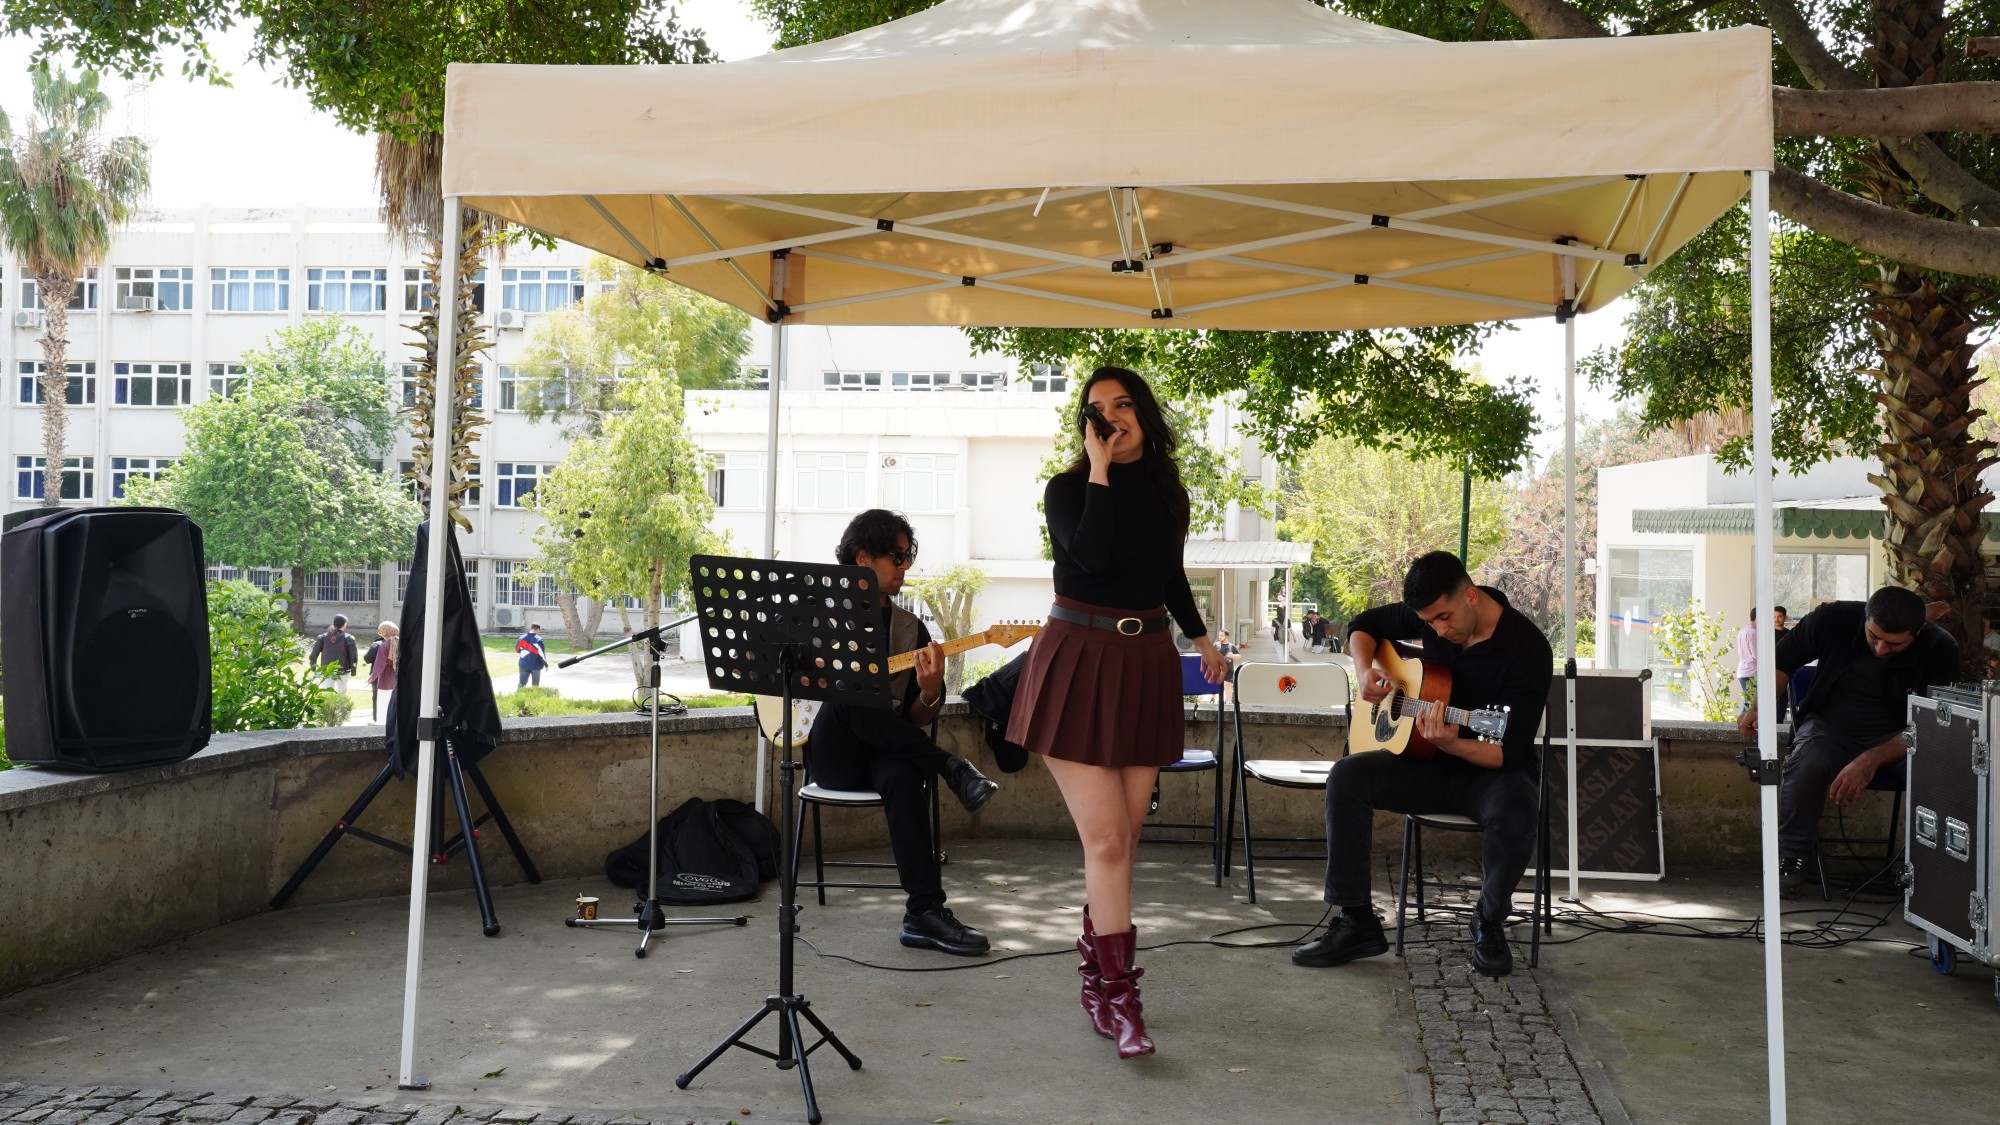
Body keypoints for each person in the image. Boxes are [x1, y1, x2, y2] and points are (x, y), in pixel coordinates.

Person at [1006, 365, 1227, 1060]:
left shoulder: (1168, 493)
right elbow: (1091, 558)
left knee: (1123, 842)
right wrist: (1099, 472)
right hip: (1077, 657)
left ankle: (1096, 981)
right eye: (1097, 409)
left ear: (1144, 413)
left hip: (1145, 660)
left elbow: (1169, 574)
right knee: (1105, 842)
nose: (1111, 417)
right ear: (1087, 425)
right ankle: (1123, 998)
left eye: (1123, 404)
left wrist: (1200, 638)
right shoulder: (1067, 489)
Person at [1292, 551, 1551, 979]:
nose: (1439, 630)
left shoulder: (1527, 649)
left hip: (1490, 770)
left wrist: (1453, 743)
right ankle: (1357, 921)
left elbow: (1509, 751)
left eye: (1444, 618)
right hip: (1426, 763)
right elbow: (1363, 625)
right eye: (1429, 622)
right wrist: (1364, 671)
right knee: (1347, 776)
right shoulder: (1431, 615)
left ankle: (1488, 920)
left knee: (1518, 805)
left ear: (1470, 595)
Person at [806, 509, 1001, 956]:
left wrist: (931, 691)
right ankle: (951, 767)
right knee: (851, 691)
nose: (906, 565)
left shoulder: (911, 630)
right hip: (835, 754)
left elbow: (910, 722)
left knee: (904, 772)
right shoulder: (820, 615)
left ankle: (924, 913)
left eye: (908, 556)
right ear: (863, 559)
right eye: (896, 557)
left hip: (884, 752)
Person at [1738, 586, 1957, 899]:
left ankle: (1930, 867)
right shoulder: (1833, 618)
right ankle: (1792, 857)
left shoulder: (1940, 647)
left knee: (1941, 776)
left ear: (1919, 630)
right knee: (1805, 764)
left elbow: (1931, 724)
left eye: (1894, 643)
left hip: (1899, 738)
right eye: (1873, 637)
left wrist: (1870, 759)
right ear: (1865, 617)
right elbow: (1782, 660)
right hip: (1828, 727)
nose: (1880, 649)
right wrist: (1757, 707)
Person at [1735, 606, 1791, 723]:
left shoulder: (1743, 631)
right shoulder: (1753, 632)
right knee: (1751, 703)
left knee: (1751, 702)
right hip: (1751, 671)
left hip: (1745, 670)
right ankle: (1742, 725)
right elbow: (1757, 655)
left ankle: (1744, 725)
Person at [309, 614, 358, 693]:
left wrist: (313, 668)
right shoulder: (348, 638)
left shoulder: (322, 637)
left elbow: (313, 655)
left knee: (327, 693)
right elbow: (353, 657)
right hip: (343, 670)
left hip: (327, 669)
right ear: (344, 624)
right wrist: (353, 670)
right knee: (342, 693)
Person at [365, 621, 399, 719]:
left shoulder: (384, 646)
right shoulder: (400, 642)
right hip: (398, 676)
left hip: (386, 678)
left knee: (383, 704)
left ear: (384, 633)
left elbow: (379, 665)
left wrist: (371, 678)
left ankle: (382, 724)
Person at [516, 623, 548, 688]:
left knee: (522, 683)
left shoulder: (522, 637)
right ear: (538, 629)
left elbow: (517, 650)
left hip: (523, 664)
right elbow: (542, 654)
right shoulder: (538, 639)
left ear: (531, 628)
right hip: (536, 665)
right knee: (535, 685)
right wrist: (546, 665)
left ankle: (518, 694)